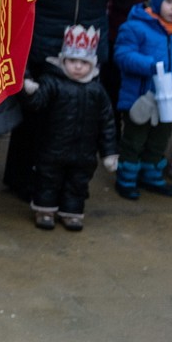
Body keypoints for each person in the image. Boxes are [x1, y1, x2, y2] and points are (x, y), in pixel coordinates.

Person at [112, 0, 172, 201]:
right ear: (158, 0)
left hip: (170, 101)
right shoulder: (136, 27)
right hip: (141, 98)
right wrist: (148, 65)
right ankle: (127, 178)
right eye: (170, 1)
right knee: (134, 140)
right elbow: (122, 55)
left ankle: (151, 175)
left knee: (160, 140)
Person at [21, 26, 118, 231]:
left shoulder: (97, 90)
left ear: (92, 64)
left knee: (78, 183)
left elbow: (107, 123)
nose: (77, 67)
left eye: (84, 62)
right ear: (63, 60)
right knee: (48, 179)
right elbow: (37, 104)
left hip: (84, 153)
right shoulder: (52, 82)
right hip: (52, 148)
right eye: (73, 61)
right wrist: (30, 90)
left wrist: (109, 152)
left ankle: (72, 213)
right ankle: (45, 210)